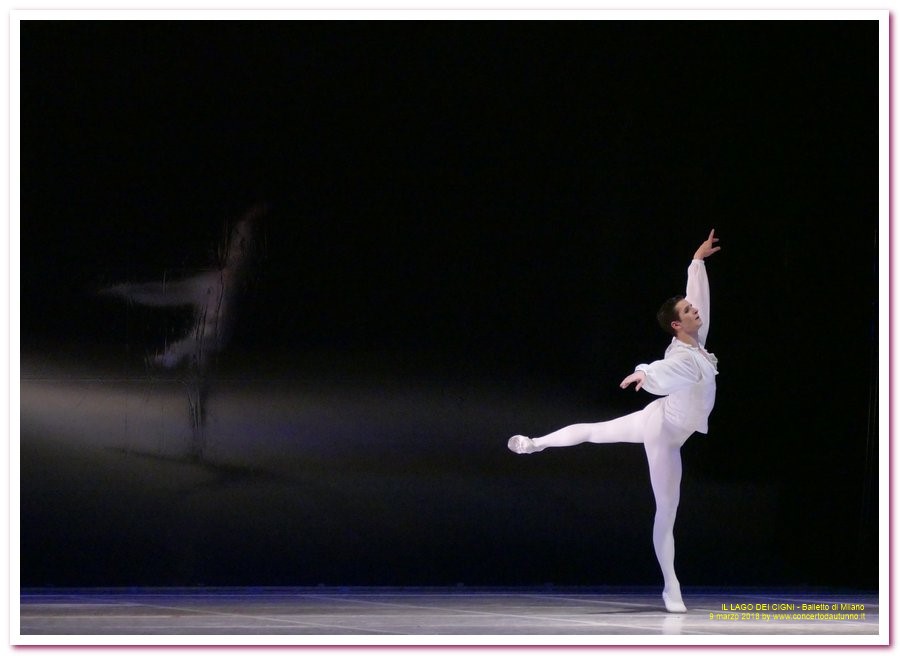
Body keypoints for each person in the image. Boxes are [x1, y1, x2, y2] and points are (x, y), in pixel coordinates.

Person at [507, 229, 721, 613]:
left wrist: (697, 262)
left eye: (692, 309)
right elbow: (664, 369)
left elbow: (698, 297)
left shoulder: (698, 341)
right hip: (663, 432)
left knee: (595, 433)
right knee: (664, 507)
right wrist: (644, 373)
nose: (695, 312)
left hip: (667, 424)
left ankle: (537, 443)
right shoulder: (683, 357)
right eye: (688, 312)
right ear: (676, 325)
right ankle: (671, 587)